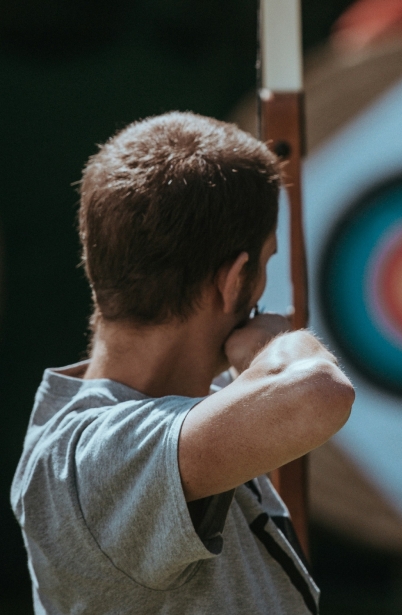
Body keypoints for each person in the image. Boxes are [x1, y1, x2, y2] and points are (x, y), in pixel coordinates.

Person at [11, 111, 354, 614]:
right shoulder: (90, 458)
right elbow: (318, 392)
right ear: (235, 279)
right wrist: (274, 346)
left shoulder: (190, 420)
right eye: (265, 262)